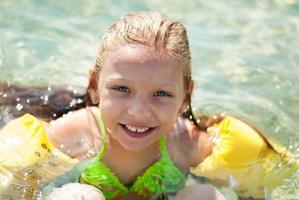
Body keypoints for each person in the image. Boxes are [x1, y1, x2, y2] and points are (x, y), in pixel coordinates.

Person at [0, 12, 298, 200]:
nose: (140, 112)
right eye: (121, 89)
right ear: (94, 87)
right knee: (78, 195)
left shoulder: (189, 146)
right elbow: (21, 186)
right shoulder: (77, 134)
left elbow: (253, 190)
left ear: (185, 97)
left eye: (162, 94)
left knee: (203, 195)